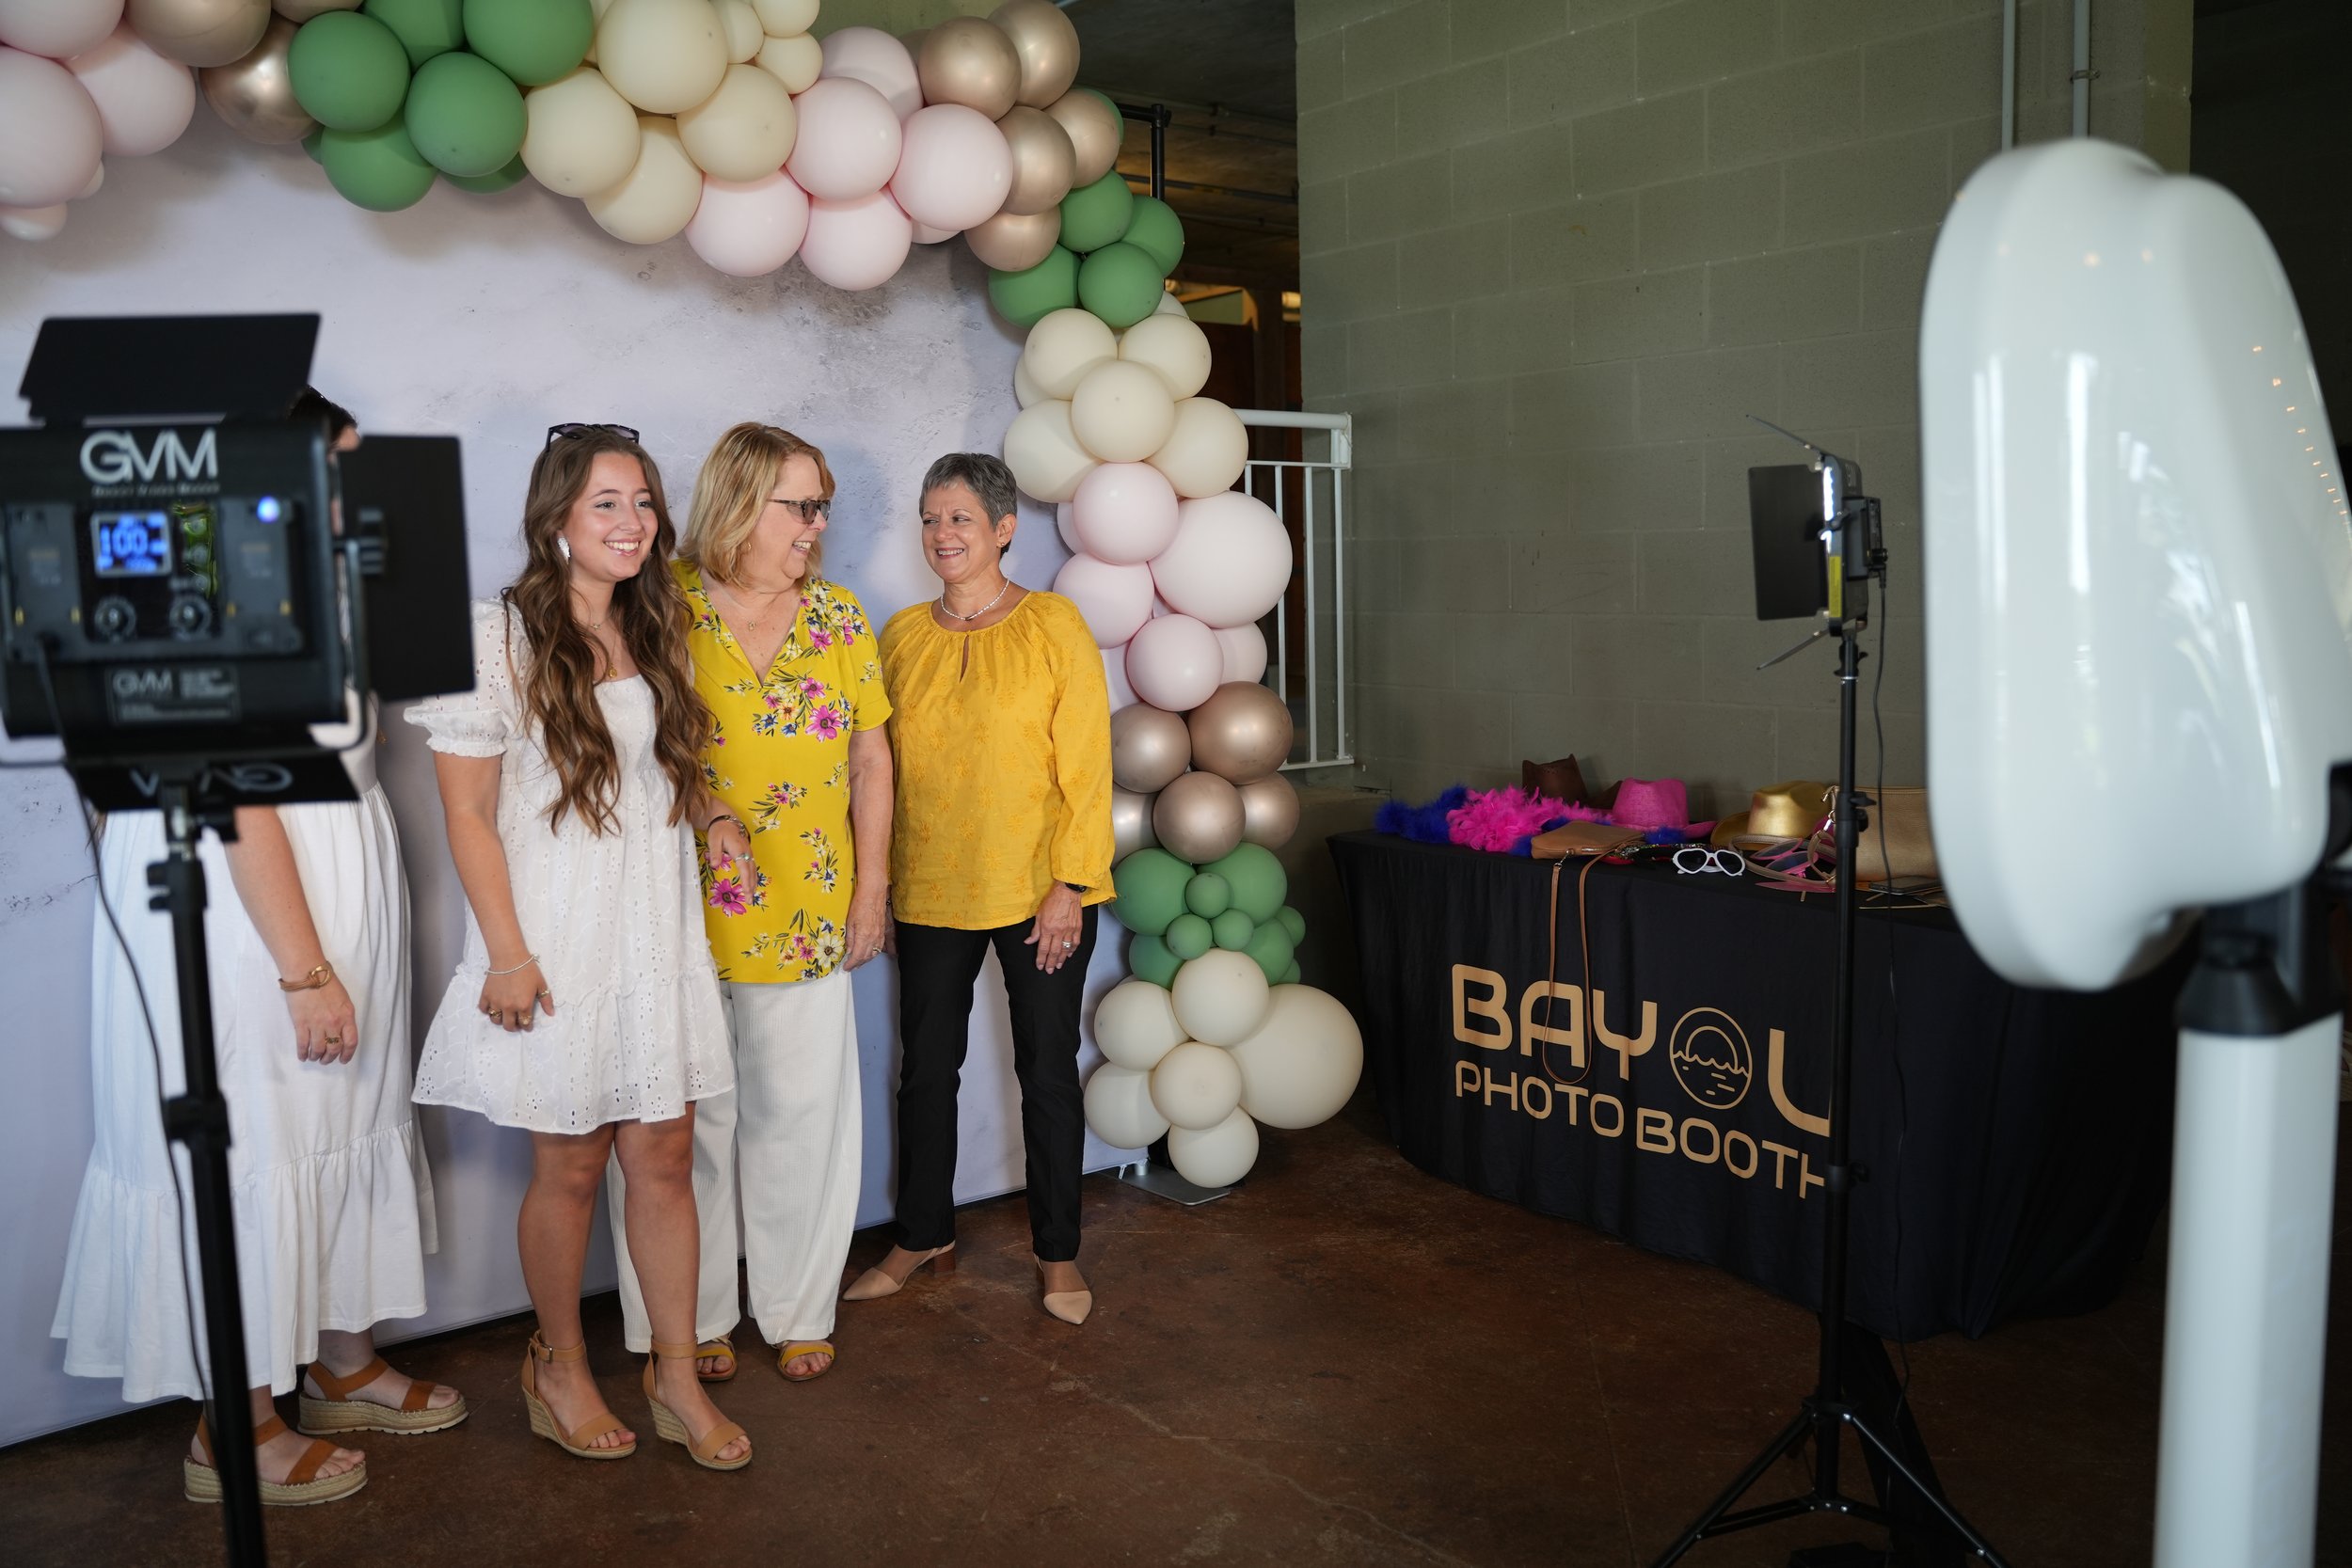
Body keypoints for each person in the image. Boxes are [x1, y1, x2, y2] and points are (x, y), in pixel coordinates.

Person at [52, 388, 463, 1508]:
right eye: (335, 470)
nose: (353, 495)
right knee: (254, 1139)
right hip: (255, 912)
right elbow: (232, 796)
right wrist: (301, 964)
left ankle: (339, 1355)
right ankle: (235, 1424)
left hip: (336, 876)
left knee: (341, 1118)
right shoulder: (200, 592)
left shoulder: (313, 579)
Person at [406, 423, 750, 1471]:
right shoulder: (495, 635)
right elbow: (467, 814)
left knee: (665, 1153)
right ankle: (558, 1364)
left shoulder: (657, 623)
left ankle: (675, 1371)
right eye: (607, 502)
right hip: (557, 938)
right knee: (567, 1163)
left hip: (654, 926)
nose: (633, 522)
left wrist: (717, 813)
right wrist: (507, 955)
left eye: (644, 502)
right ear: (556, 515)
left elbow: (662, 769)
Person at [605, 424, 893, 1385]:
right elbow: (641, 745)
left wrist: (873, 891)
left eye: (822, 506)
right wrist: (711, 806)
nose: (816, 525)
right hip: (679, 894)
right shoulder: (664, 603)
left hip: (811, 893)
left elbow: (869, 758)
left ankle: (799, 1305)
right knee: (688, 1118)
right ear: (739, 503)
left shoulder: (842, 617)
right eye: (798, 506)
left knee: (801, 1115)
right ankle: (690, 1316)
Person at [847, 452, 1114, 1324]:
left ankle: (1058, 1253)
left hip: (1042, 891)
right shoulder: (901, 637)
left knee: (1046, 1073)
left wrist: (1071, 882)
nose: (942, 534)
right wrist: (874, 879)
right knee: (925, 1071)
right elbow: (875, 766)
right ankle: (923, 1233)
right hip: (928, 889)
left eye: (960, 518)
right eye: (930, 518)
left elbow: (1086, 764)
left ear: (1004, 528)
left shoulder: (1053, 625)